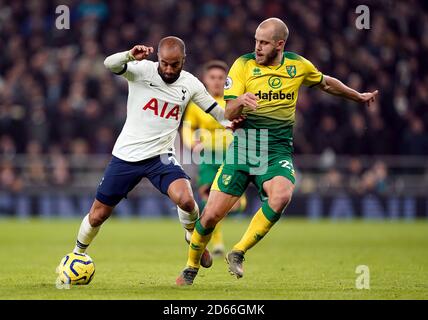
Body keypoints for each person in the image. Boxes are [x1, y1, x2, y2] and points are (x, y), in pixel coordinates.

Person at [176, 18, 378, 285]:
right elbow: (228, 111)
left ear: (279, 44)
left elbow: (326, 83)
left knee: (282, 195)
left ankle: (238, 251)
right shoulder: (243, 65)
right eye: (256, 41)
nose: (257, 47)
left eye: (263, 43)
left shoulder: (297, 66)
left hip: (276, 152)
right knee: (211, 215)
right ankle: (191, 266)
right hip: (244, 149)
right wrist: (240, 102)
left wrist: (358, 96)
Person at [66, 36, 233, 271]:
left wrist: (238, 119)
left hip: (161, 157)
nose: (168, 68)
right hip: (126, 156)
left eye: (174, 64)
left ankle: (191, 236)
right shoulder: (142, 70)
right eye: (164, 63)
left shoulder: (191, 83)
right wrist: (128, 55)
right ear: (158, 59)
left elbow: (218, 113)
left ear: (184, 60)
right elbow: (109, 64)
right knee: (97, 215)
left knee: (186, 200)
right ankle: (76, 255)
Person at [182, 60, 247, 258]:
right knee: (208, 198)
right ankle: (217, 242)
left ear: (226, 80)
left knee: (236, 205)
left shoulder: (233, 101)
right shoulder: (197, 103)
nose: (217, 82)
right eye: (212, 77)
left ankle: (211, 228)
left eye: (220, 78)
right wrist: (192, 144)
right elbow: (187, 127)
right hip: (208, 157)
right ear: (205, 80)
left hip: (232, 155)